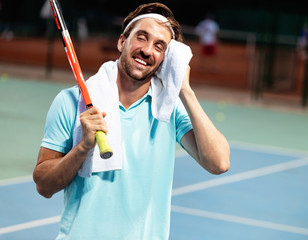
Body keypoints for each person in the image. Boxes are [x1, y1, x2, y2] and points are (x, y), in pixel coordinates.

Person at [33, 2, 230, 239]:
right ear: (122, 41)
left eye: (160, 46)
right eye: (142, 37)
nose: (148, 50)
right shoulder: (70, 101)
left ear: (167, 61)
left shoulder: (170, 109)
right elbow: (44, 185)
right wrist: (83, 147)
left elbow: (219, 163)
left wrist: (184, 90)